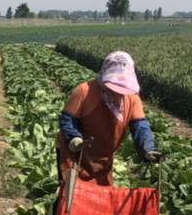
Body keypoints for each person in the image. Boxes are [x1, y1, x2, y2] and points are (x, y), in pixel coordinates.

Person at [55, 50, 160, 186]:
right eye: (113, 89)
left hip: (103, 156)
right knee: (72, 194)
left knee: (102, 194)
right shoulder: (84, 91)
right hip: (74, 153)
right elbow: (67, 119)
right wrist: (74, 138)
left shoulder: (132, 99)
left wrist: (148, 149)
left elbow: (140, 127)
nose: (117, 94)